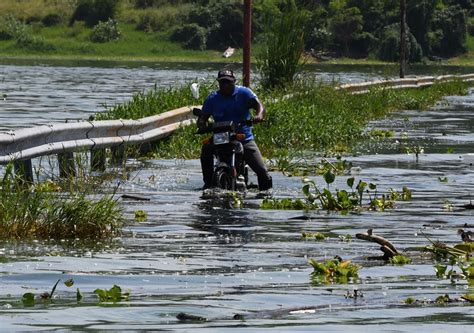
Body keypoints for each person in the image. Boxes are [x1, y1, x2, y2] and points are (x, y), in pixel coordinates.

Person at [198, 69, 273, 191]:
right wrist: (202, 124)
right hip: (221, 136)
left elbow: (259, 106)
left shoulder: (244, 93)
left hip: (242, 136)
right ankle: (208, 183)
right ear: (219, 83)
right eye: (222, 82)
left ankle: (265, 194)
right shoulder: (212, 99)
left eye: (228, 82)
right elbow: (203, 117)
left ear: (234, 82)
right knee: (206, 149)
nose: (225, 85)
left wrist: (259, 115)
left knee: (262, 171)